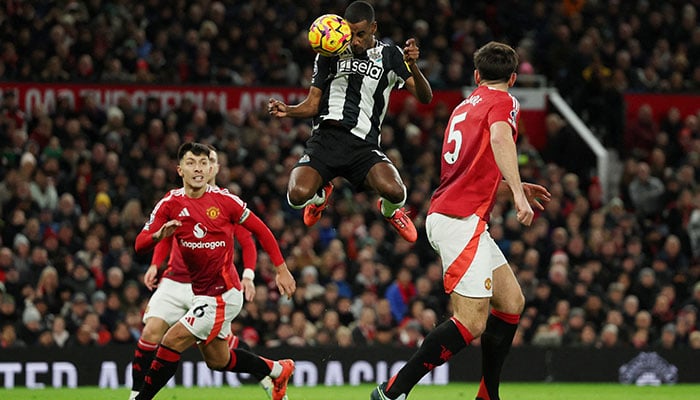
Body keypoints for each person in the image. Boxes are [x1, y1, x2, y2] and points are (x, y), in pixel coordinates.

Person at [371, 42, 551, 400]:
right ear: (513, 78)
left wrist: (510, 188)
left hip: (457, 215)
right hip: (459, 220)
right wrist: (516, 192)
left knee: (511, 302)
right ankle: (393, 391)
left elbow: (468, 175)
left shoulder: (462, 108)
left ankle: (487, 395)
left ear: (476, 76)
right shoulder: (505, 102)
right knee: (471, 323)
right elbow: (501, 138)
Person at [133, 142, 296, 400]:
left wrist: (280, 269)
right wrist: (157, 236)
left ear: (211, 168)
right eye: (191, 163)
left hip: (224, 293)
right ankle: (277, 369)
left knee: (171, 340)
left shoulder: (226, 201)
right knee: (218, 360)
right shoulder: (169, 203)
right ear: (179, 170)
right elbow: (139, 243)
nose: (198, 168)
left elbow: (260, 231)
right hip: (200, 293)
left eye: (203, 163)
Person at [268, 0, 433, 243]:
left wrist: (413, 68)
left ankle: (390, 212)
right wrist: (289, 110)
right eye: (350, 33)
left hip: (363, 146)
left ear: (374, 27)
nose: (354, 40)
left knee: (397, 193)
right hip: (325, 139)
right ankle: (319, 198)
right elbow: (313, 104)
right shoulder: (330, 52)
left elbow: (425, 97)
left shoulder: (390, 55)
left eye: (361, 34)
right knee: (295, 197)